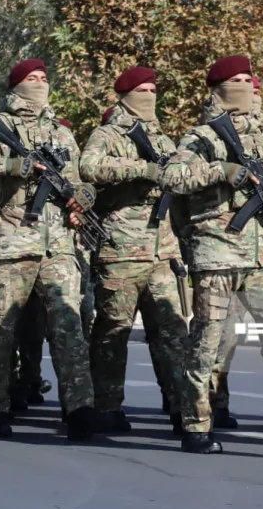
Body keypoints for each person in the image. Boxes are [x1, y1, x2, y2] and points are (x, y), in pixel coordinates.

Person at [159, 54, 263, 458]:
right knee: (208, 343)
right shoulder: (202, 138)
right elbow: (170, 177)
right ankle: (196, 423)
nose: (247, 85)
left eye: (250, 78)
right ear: (219, 87)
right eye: (238, 79)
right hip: (217, 254)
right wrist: (221, 171)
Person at [0, 58, 100, 440]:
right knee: (2, 332)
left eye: (43, 78)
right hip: (10, 243)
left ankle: (80, 408)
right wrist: (13, 165)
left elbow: (79, 177)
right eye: (31, 79)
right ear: (16, 85)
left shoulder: (60, 133)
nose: (39, 84)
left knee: (69, 330)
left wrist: (83, 195)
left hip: (59, 247)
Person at [79, 66, 187, 434]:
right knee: (113, 333)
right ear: (125, 94)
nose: (150, 95)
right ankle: (107, 406)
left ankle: (181, 406)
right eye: (142, 89)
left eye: (154, 88)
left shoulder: (163, 139)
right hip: (121, 250)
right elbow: (89, 167)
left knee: (172, 332)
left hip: (163, 251)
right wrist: (141, 169)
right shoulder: (107, 134)